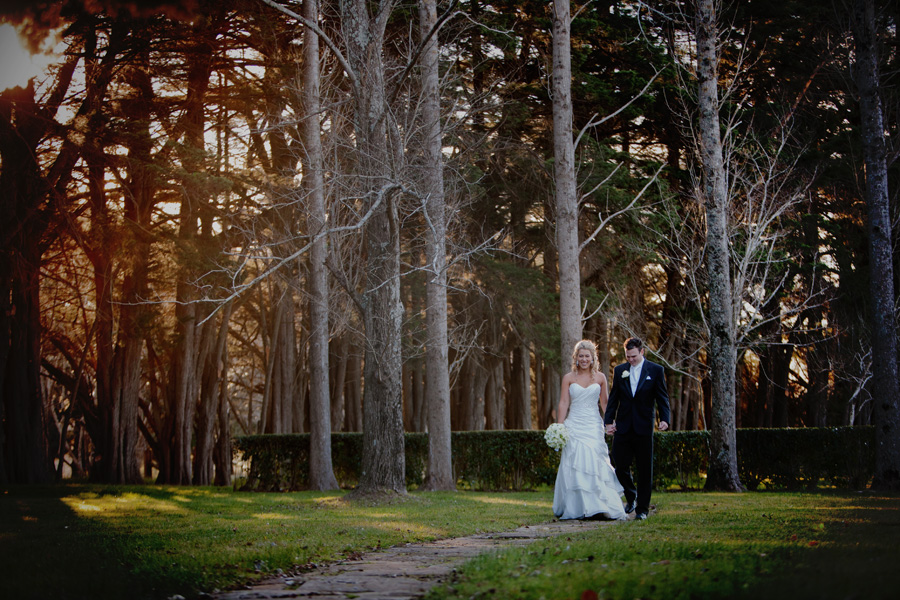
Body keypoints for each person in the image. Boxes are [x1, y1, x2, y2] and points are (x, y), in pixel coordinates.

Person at [552, 340, 625, 521]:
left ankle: (600, 506)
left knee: (595, 462)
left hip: (593, 424)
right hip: (574, 425)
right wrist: (559, 426)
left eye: (587, 356)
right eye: (581, 356)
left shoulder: (600, 378)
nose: (584, 359)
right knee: (575, 463)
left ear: (593, 358)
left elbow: (605, 403)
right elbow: (563, 402)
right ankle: (578, 507)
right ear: (575, 358)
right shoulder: (568, 378)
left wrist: (609, 423)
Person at [604, 337, 671, 521]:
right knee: (620, 465)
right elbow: (614, 398)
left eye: (633, 356)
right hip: (623, 426)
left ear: (642, 352)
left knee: (644, 470)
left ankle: (642, 510)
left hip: (643, 427)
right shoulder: (620, 371)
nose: (630, 360)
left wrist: (665, 419)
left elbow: (662, 397)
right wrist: (608, 421)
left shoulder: (656, 370)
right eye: (628, 356)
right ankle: (631, 494)